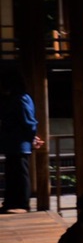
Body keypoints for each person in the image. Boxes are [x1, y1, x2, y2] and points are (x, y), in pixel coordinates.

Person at [2, 68, 41, 212]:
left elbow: (29, 121)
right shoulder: (12, 98)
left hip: (19, 142)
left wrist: (32, 137)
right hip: (13, 142)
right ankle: (11, 202)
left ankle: (22, 203)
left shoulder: (20, 98)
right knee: (12, 173)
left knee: (19, 173)